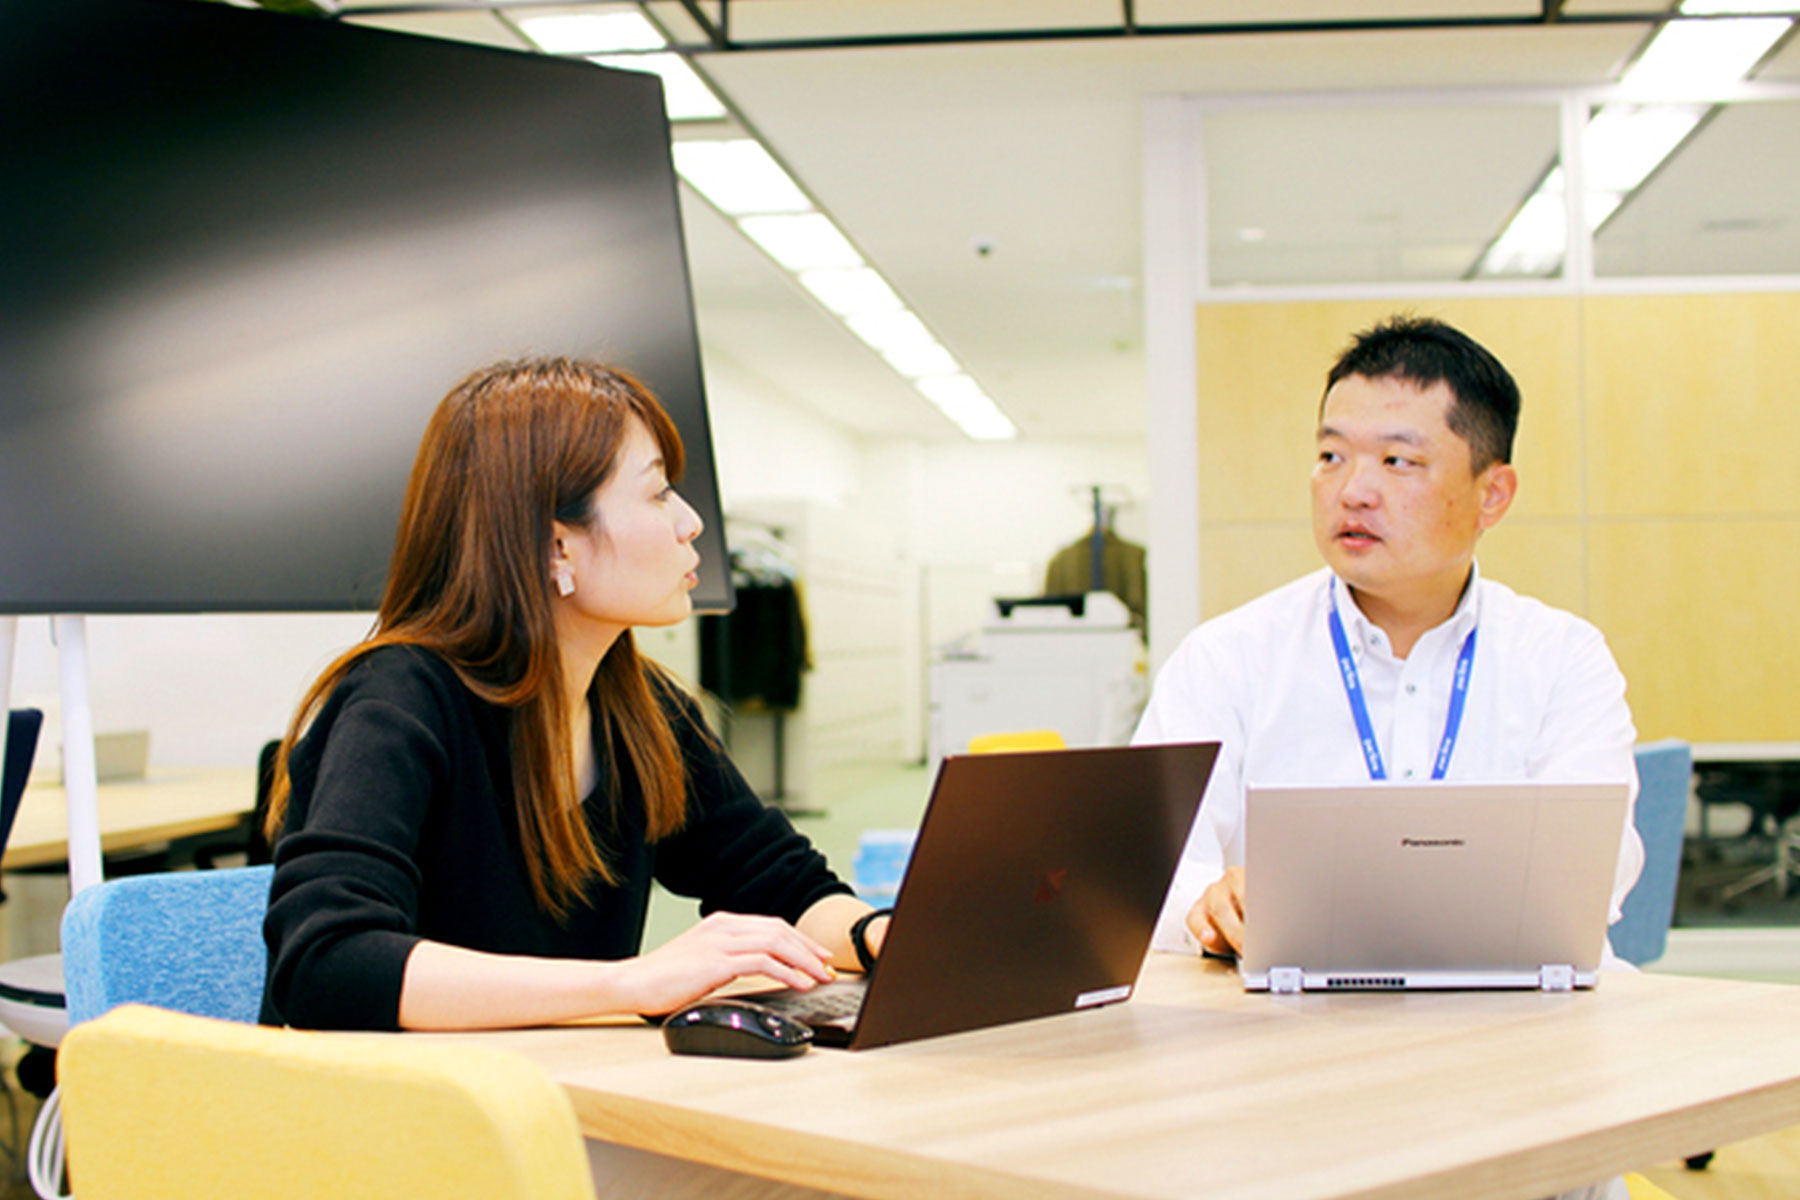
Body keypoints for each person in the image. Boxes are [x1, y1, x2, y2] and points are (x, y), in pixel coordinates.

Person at [261, 358, 886, 1031]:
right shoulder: (400, 699)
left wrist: (880, 934)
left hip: (552, 1081)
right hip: (397, 1092)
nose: (690, 522)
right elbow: (329, 965)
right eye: (658, 494)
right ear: (557, 546)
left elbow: (784, 886)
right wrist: (630, 983)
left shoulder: (645, 710)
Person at [1136, 314, 1642, 960]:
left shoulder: (1562, 658)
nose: (1353, 492)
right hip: (1288, 1007)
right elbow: (1148, 872)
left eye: (1398, 461)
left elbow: (1591, 870)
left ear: (1492, 495)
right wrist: (1208, 904)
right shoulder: (1227, 659)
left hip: (1510, 1001)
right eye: (1331, 457)